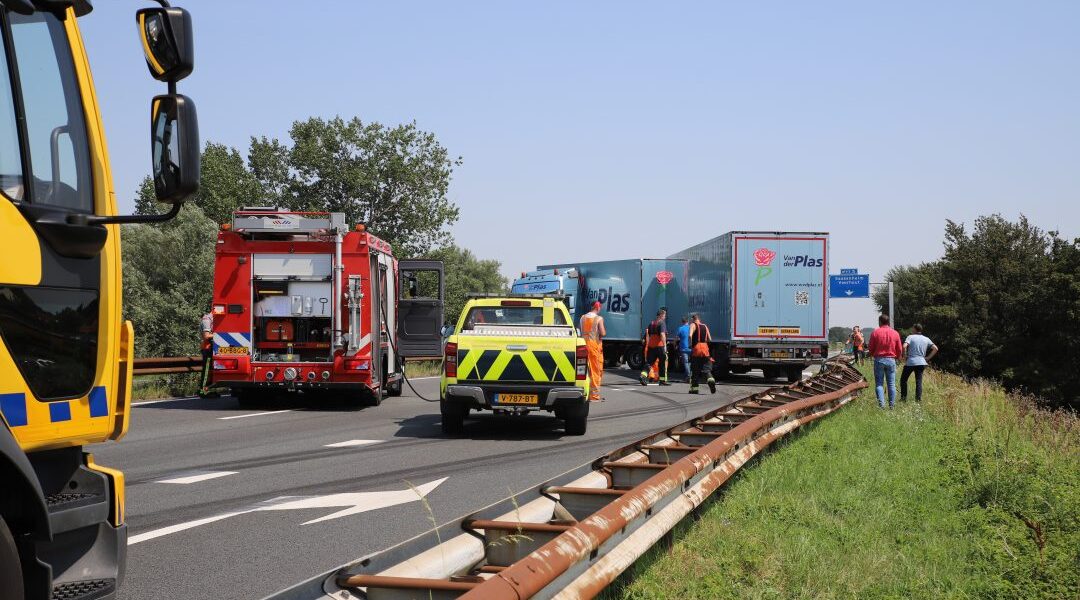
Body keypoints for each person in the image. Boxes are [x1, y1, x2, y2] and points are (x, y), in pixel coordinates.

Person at [867, 314, 903, 409]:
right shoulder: (895, 333)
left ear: (880, 322)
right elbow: (899, 349)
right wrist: (898, 357)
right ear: (888, 322)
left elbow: (870, 348)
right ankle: (892, 405)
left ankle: (881, 405)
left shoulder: (875, 332)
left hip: (879, 360)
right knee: (891, 384)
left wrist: (871, 354)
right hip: (891, 360)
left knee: (879, 384)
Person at [901, 323, 938, 402]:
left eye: (912, 328)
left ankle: (903, 398)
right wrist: (928, 358)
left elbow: (904, 346)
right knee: (918, 381)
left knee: (903, 380)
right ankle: (918, 400)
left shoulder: (910, 337)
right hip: (921, 362)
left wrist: (905, 356)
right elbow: (935, 348)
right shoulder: (926, 338)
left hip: (911, 362)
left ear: (914, 329)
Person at [579, 301, 606, 402]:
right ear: (598, 308)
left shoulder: (582, 318)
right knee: (595, 371)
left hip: (582, 345)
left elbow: (580, 330)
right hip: (593, 347)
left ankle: (583, 393)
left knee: (583, 371)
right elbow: (603, 333)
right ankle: (594, 396)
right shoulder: (599, 319)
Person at [639, 308, 670, 386]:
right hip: (659, 346)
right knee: (662, 363)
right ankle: (662, 381)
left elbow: (647, 334)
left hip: (651, 346)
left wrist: (645, 341)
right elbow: (662, 334)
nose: (665, 317)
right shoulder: (662, 323)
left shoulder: (651, 323)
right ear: (661, 315)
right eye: (664, 315)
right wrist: (665, 345)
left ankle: (643, 376)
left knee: (649, 363)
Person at [688, 314, 717, 394]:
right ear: (699, 319)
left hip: (697, 349)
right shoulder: (705, 326)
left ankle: (694, 389)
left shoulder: (693, 325)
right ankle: (711, 380)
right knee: (706, 369)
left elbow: (690, 335)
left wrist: (690, 345)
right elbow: (710, 339)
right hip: (705, 349)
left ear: (693, 319)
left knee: (695, 370)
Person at [198, 310, 213, 397]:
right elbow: (206, 336)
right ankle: (202, 391)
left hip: (211, 349)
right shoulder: (207, 319)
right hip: (207, 349)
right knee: (206, 371)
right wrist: (220, 335)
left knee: (210, 371)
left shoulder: (212, 319)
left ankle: (207, 390)